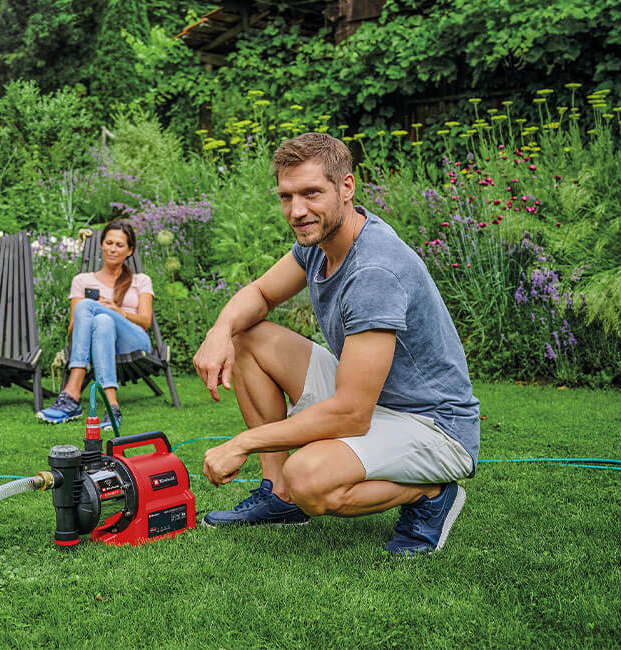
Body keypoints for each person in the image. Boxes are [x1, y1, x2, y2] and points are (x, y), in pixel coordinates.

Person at [193, 132, 479, 556]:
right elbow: (261, 295)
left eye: (311, 193)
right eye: (286, 197)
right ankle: (279, 495)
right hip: (374, 400)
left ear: (347, 187)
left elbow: (351, 414)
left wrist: (241, 443)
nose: (297, 210)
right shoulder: (320, 243)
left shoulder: (374, 272)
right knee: (247, 336)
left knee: (307, 477)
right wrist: (220, 331)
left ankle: (431, 495)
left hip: (433, 425)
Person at [37, 220, 154, 430]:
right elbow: (73, 328)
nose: (113, 249)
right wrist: (103, 314)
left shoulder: (141, 280)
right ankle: (112, 405)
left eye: (120, 245)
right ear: (101, 245)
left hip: (134, 340)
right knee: (102, 321)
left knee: (91, 308)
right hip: (101, 342)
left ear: (130, 251)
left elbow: (145, 321)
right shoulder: (82, 280)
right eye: (109, 242)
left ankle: (72, 392)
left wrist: (118, 311)